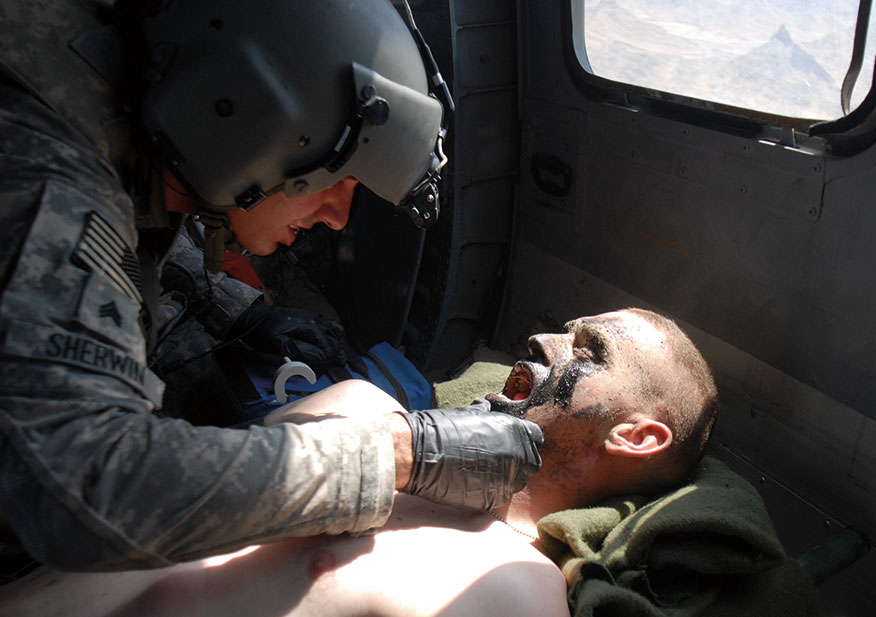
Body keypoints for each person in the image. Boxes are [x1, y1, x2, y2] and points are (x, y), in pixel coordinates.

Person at [0, 0, 543, 575]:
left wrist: (234, 312)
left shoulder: (128, 113)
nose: (337, 217)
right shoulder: (43, 171)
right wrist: (403, 454)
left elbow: (126, 251)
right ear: (246, 120)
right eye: (339, 181)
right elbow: (87, 486)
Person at [0, 308, 721, 616]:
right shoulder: (356, 401)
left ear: (636, 437)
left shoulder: (513, 591)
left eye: (588, 350)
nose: (539, 338)